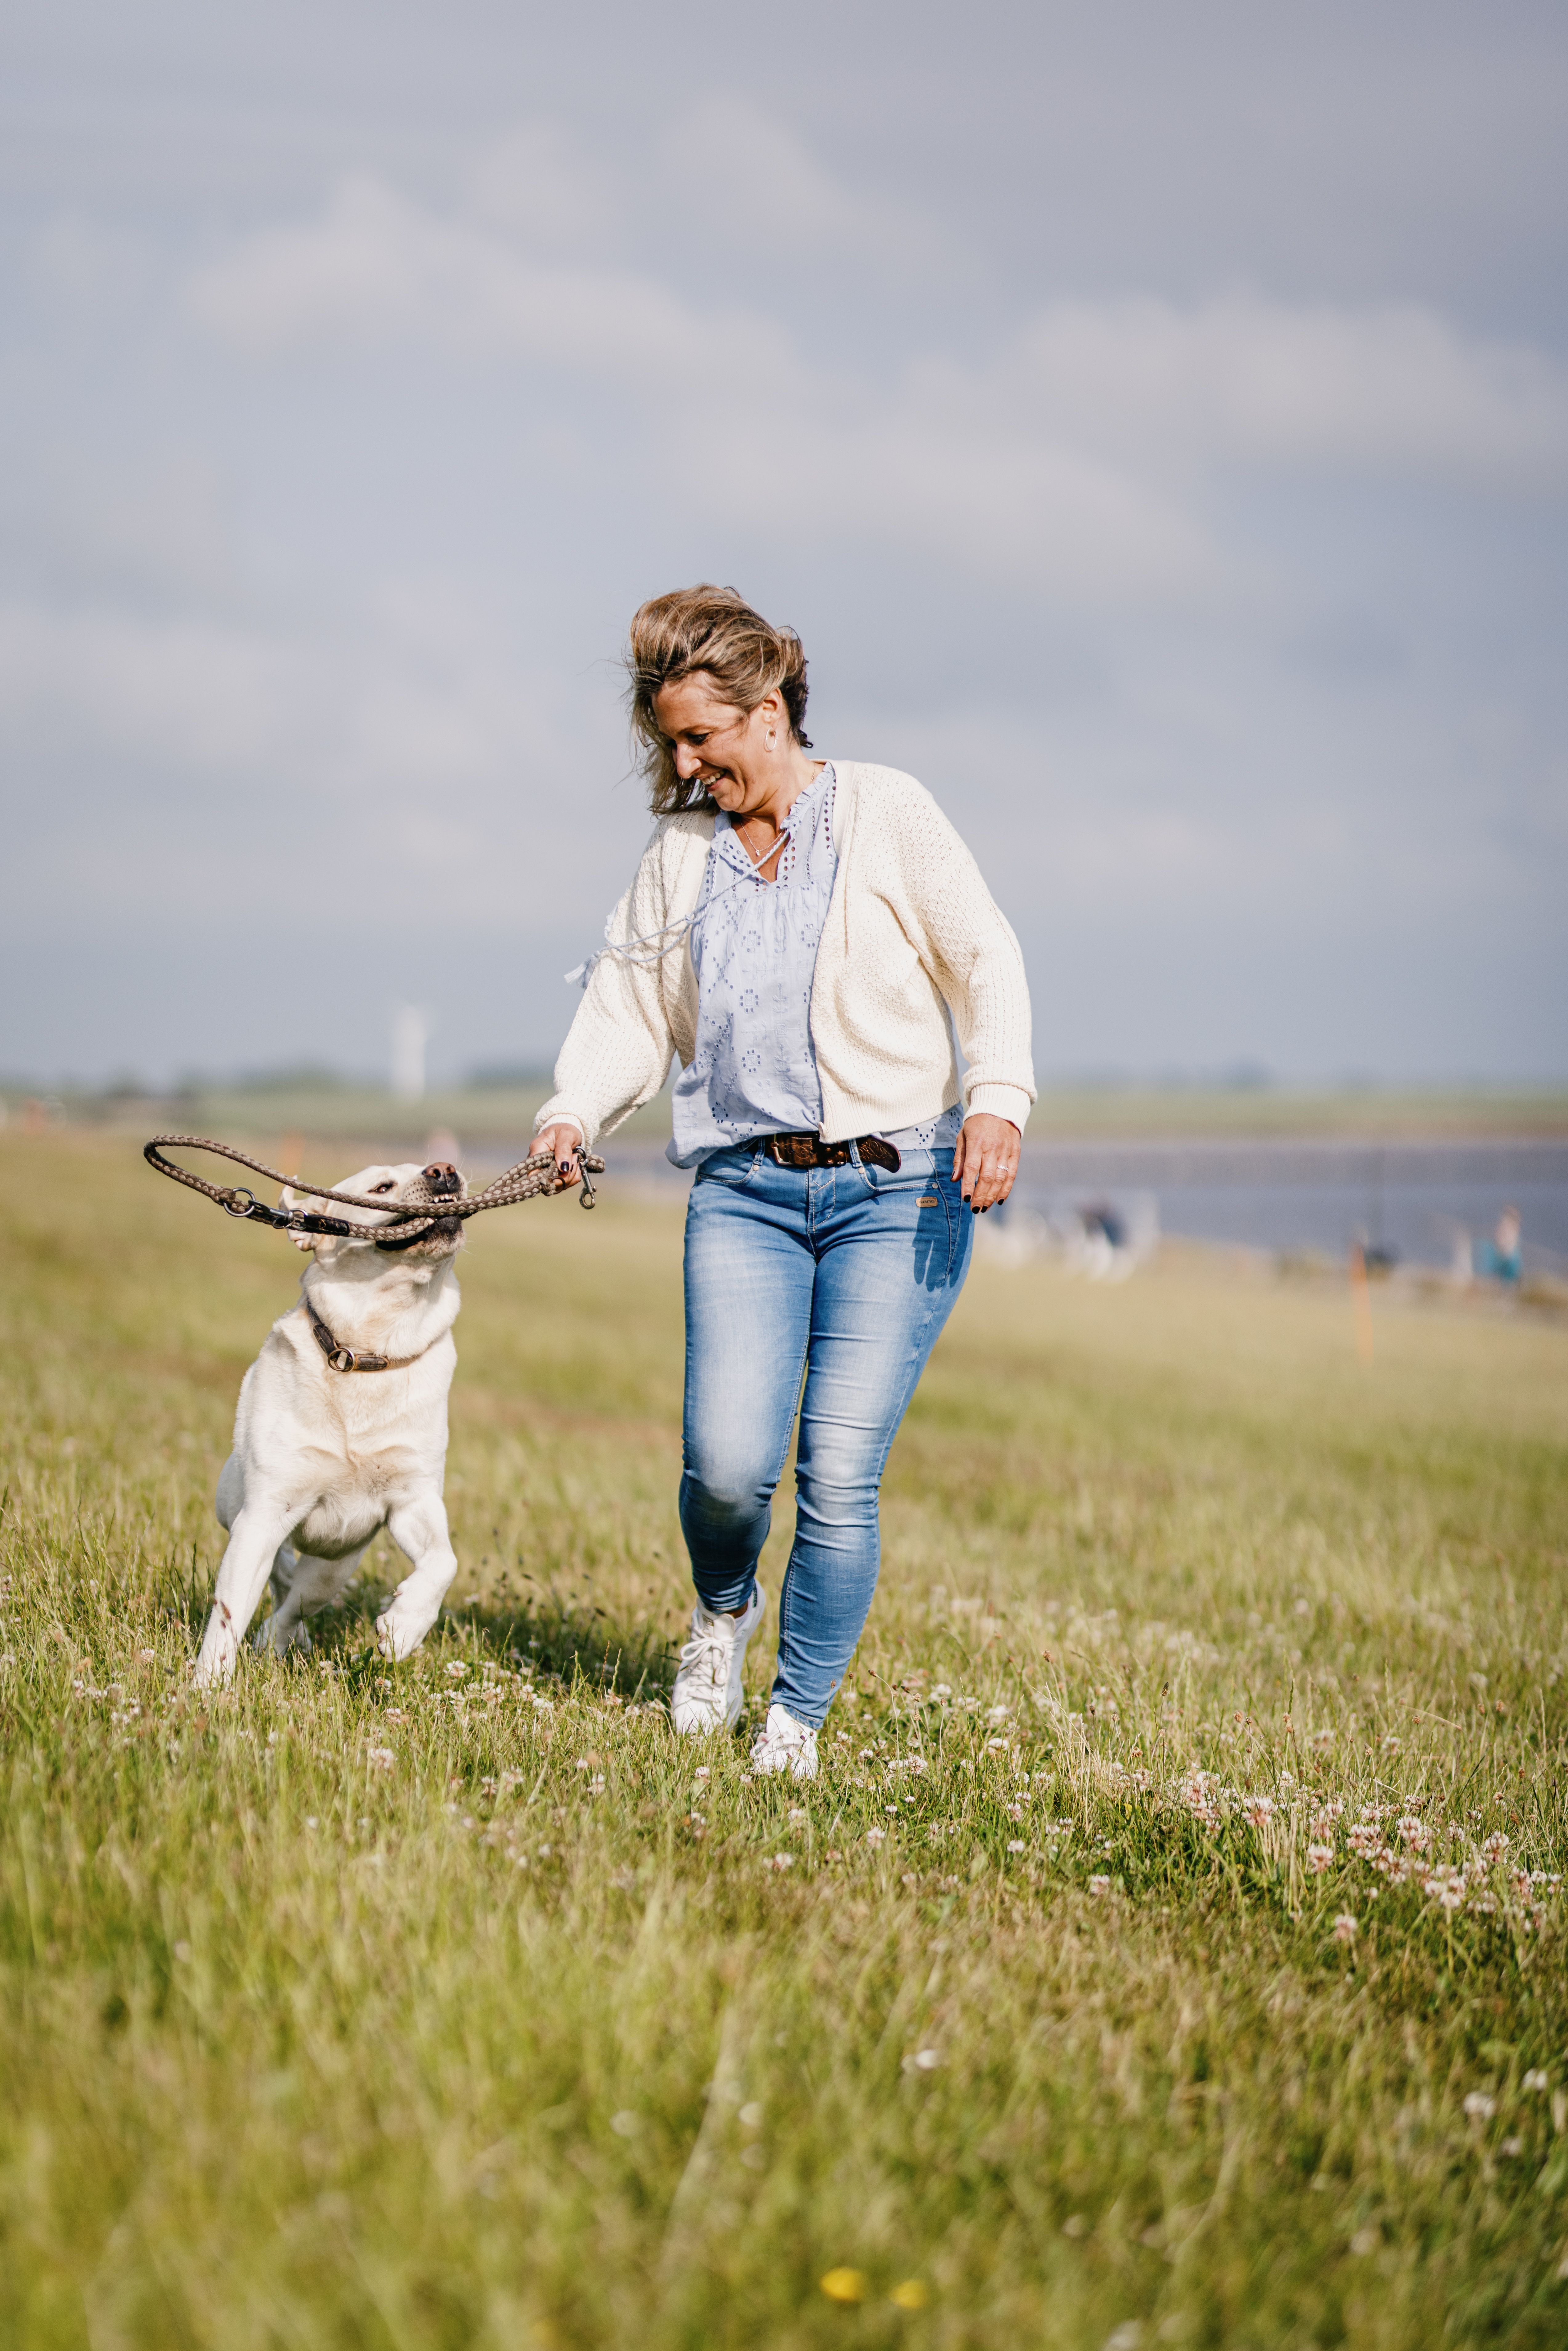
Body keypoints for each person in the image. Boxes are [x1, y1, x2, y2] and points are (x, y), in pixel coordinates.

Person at [535, 586, 1034, 1778]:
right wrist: (570, 1112)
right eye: (668, 740)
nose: (683, 759)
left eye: (699, 735)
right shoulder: (681, 854)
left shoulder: (883, 808)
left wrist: (997, 1098)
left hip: (895, 1188)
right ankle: (720, 1613)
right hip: (745, 1193)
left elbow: (984, 956)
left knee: (839, 1473)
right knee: (723, 1464)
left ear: (766, 713)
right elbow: (628, 1007)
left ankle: (792, 1721)